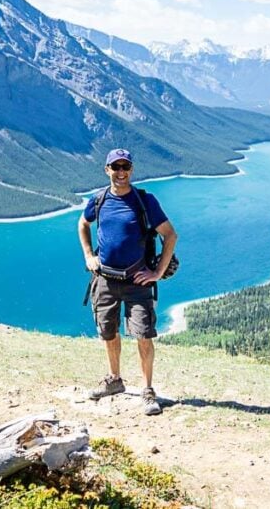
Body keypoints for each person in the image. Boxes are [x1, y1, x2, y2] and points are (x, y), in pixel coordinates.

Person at [78, 148, 178, 416]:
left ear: (131, 170)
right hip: (104, 280)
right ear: (107, 169)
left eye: (126, 167)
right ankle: (114, 380)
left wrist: (156, 273)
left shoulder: (145, 201)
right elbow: (83, 224)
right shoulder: (98, 200)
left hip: (138, 281)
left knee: (143, 335)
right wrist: (89, 255)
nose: (121, 172)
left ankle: (147, 390)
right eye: (116, 167)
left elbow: (170, 236)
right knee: (108, 332)